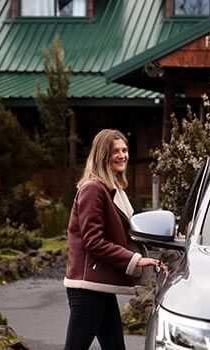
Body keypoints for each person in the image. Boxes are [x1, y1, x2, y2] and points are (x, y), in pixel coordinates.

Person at [63, 129, 162, 350]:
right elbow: (93, 241)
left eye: (124, 150)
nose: (122, 155)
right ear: (102, 155)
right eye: (115, 151)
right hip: (87, 287)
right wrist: (135, 260)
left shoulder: (112, 190)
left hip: (100, 285)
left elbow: (129, 232)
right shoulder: (93, 189)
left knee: (115, 347)